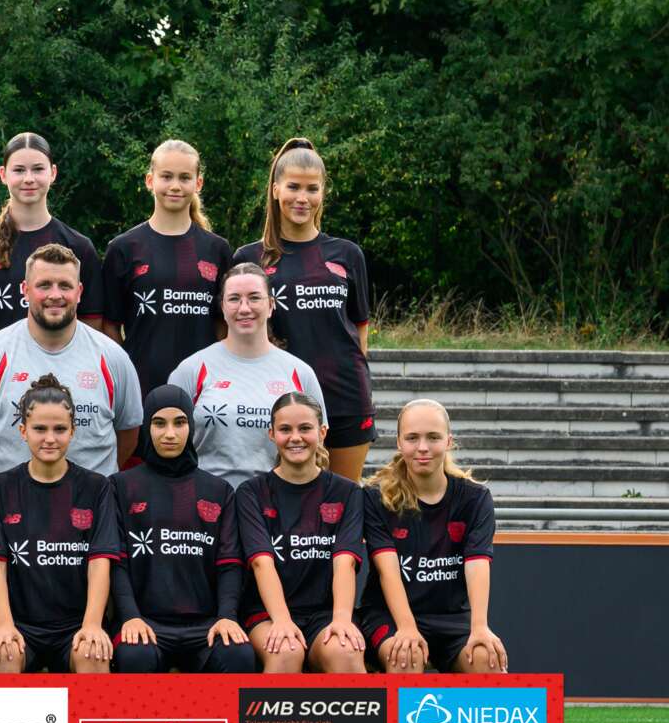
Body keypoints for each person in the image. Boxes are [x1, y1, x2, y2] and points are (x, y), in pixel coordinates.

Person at [235, 138, 375, 481]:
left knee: (343, 507)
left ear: (323, 192)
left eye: (312, 188)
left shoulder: (347, 254)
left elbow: (359, 331)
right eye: (293, 186)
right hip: (277, 402)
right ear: (275, 188)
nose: (302, 197)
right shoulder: (249, 259)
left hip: (345, 400)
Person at [0, 243, 140, 489]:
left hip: (89, 516)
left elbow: (128, 433)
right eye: (44, 285)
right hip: (10, 516)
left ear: (80, 291)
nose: (55, 295)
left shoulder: (113, 358)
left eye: (65, 286)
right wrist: (3, 485)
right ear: (25, 290)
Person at [108, 385, 255, 674]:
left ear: (191, 425)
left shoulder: (218, 490)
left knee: (238, 656)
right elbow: (117, 563)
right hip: (144, 622)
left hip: (206, 625)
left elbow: (229, 564)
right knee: (136, 657)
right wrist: (130, 617)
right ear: (146, 427)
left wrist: (226, 616)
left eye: (180, 422)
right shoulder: (121, 486)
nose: (170, 434)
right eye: (159, 423)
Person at [0, 376, 120, 674]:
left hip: (74, 626)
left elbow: (99, 563)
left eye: (60, 429)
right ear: (23, 431)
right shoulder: (0, 487)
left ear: (73, 431)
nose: (50, 438)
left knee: (92, 654)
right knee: (3, 653)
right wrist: (4, 623)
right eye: (39, 429)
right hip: (21, 625)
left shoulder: (97, 488)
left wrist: (92, 624)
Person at [360, 400, 507, 674]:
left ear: (449, 441)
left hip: (451, 617)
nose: (423, 447)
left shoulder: (475, 498)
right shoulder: (375, 498)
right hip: (390, 615)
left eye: (433, 437)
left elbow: (477, 564)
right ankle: (410, 719)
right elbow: (387, 570)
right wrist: (406, 627)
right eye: (413, 438)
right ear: (399, 443)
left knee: (487, 660)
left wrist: (479, 627)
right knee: (406, 657)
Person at [235, 391, 367, 674]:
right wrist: (282, 619)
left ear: (322, 431)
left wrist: (342, 619)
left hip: (325, 613)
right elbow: (261, 562)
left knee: (345, 653)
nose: (295, 437)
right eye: (285, 429)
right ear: (271, 434)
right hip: (268, 613)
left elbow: (345, 561)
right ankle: (269, 720)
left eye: (305, 428)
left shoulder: (348, 492)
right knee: (285, 652)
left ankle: (356, 721)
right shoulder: (251, 493)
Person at [166, 263, 325, 489]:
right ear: (222, 306)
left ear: (270, 305)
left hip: (275, 505)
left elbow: (316, 448)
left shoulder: (299, 374)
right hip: (208, 504)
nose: (244, 308)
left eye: (254, 298)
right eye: (234, 299)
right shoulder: (191, 370)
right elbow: (168, 444)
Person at [101, 139, 234, 395]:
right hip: (141, 387)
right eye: (166, 176)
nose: (175, 186)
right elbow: (109, 327)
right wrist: (126, 374)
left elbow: (223, 324)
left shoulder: (217, 250)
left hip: (206, 388)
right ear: (150, 180)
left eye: (185, 177)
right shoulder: (124, 248)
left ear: (198, 183)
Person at [0, 132, 102, 352]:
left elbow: (92, 325)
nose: (29, 178)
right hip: (2, 380)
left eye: (38, 169)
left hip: (64, 381)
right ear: (3, 175)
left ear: (53, 173)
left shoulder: (79, 247)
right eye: (19, 170)